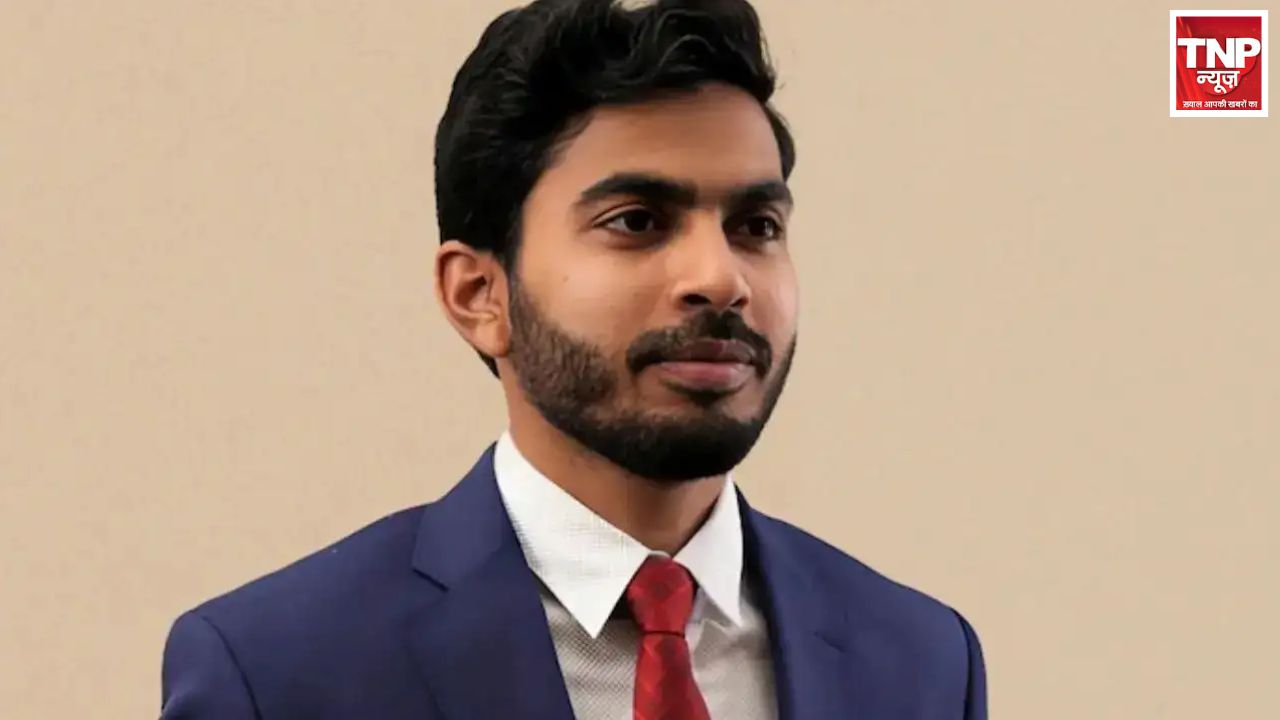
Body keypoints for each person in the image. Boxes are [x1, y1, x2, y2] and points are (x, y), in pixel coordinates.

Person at [158, 0, 987, 718]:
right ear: (479, 295)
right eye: (637, 221)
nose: (720, 278)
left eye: (756, 227)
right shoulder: (281, 671)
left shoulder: (921, 662)